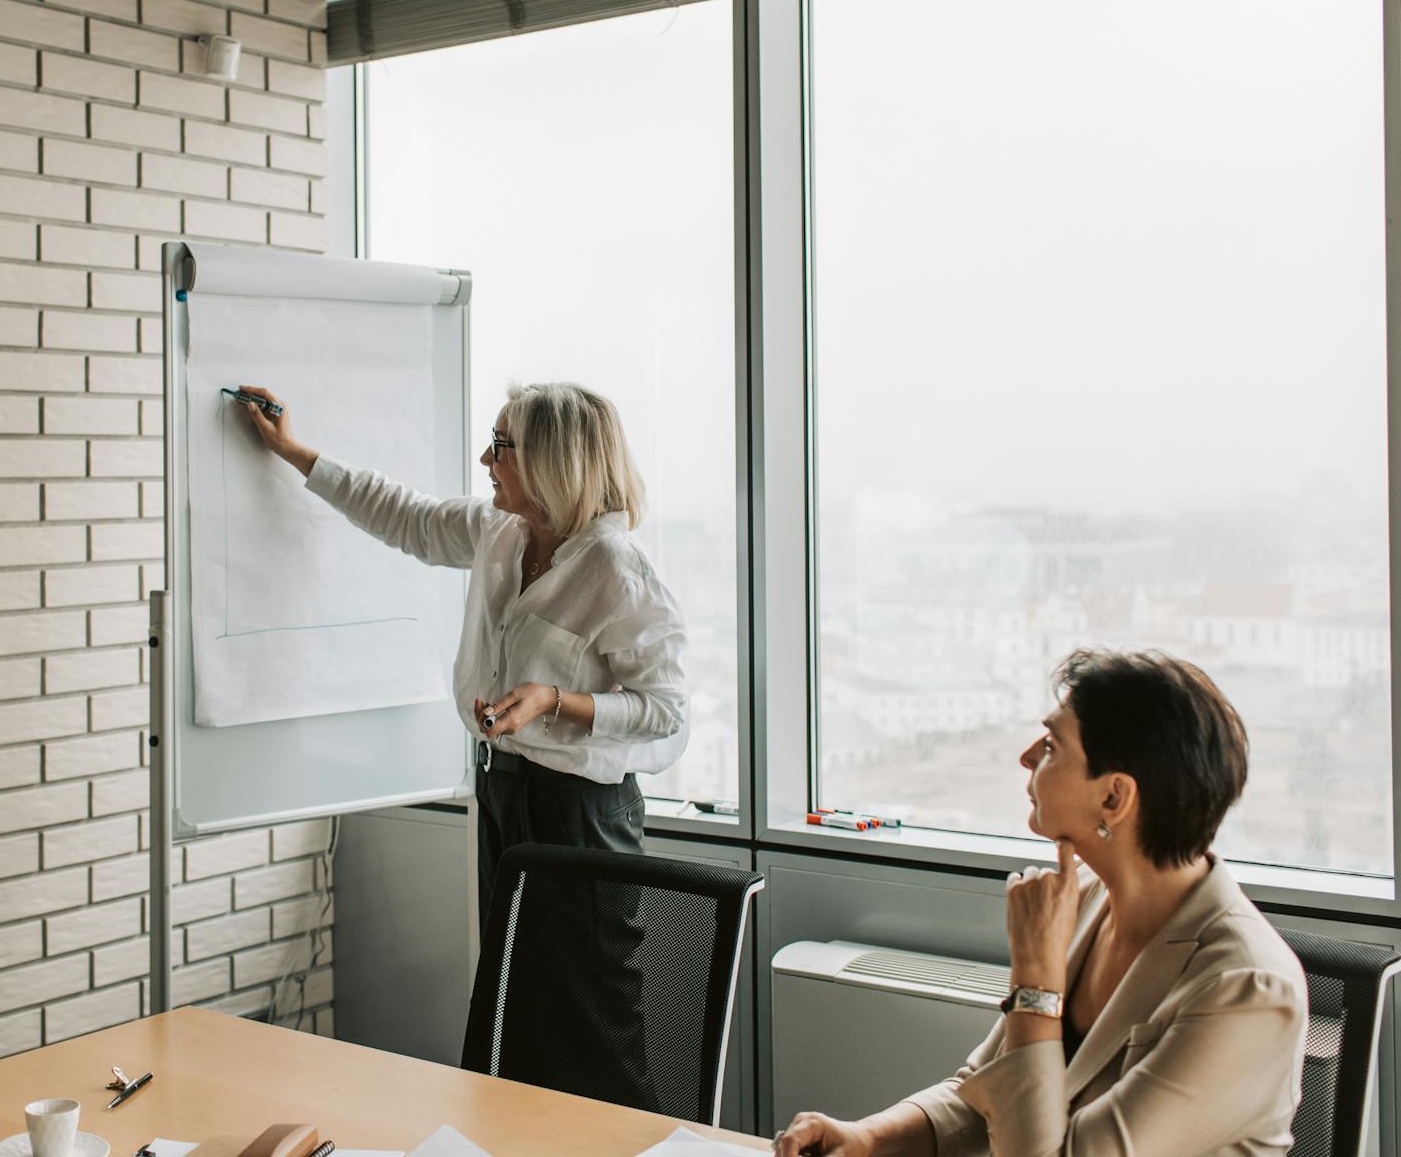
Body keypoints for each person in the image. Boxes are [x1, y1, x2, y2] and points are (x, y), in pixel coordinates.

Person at [774, 649, 1308, 1157]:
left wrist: (1035, 988)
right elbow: (985, 1095)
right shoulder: (1087, 904)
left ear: (1113, 797)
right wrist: (869, 1138)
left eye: (1051, 746)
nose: (1026, 756)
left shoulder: (1248, 989)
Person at [235, 379, 689, 916]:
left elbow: (666, 711)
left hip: (579, 810)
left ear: (551, 460)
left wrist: (553, 700)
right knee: (507, 986)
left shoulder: (617, 570)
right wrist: (293, 452)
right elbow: (405, 515)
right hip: (501, 789)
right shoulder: (500, 531)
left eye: (500, 446)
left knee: (590, 987)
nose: (484, 459)